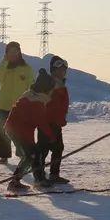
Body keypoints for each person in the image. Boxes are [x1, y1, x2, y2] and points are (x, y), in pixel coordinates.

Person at [5, 70, 57, 190]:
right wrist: (51, 137)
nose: (52, 91)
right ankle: (16, 182)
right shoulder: (37, 102)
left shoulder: (31, 95)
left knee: (33, 154)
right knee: (31, 156)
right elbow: (41, 123)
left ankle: (36, 178)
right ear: (46, 89)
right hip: (20, 131)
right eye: (51, 89)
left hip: (15, 129)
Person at [0, 41, 34, 164]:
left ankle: (20, 151)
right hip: (4, 104)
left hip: (20, 105)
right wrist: (4, 62)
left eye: (15, 52)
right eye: (10, 52)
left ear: (19, 53)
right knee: (4, 131)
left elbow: (31, 86)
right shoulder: (5, 67)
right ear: (6, 54)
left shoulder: (27, 69)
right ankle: (4, 155)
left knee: (19, 131)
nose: (13, 54)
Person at [38, 55, 71, 185]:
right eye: (59, 70)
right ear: (53, 70)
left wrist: (61, 119)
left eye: (64, 70)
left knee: (58, 148)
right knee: (43, 150)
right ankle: (40, 176)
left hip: (56, 123)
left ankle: (54, 174)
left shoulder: (61, 85)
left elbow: (61, 106)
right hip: (46, 122)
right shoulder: (49, 84)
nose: (62, 72)